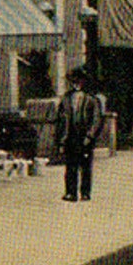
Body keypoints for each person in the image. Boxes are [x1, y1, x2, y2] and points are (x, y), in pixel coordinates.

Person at [54, 68, 104, 202]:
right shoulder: (66, 99)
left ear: (83, 82)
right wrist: (60, 139)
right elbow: (60, 120)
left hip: (85, 137)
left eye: (78, 81)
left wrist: (90, 136)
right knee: (71, 166)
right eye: (73, 81)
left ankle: (85, 193)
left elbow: (96, 119)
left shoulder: (91, 99)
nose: (76, 84)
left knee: (85, 166)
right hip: (70, 136)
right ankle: (71, 193)